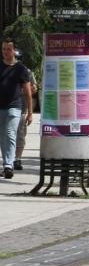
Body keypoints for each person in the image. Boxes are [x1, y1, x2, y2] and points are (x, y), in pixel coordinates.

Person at [0, 39, 32, 179]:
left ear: (14, 51)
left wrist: (30, 112)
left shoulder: (21, 69)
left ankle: (8, 165)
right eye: (3, 49)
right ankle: (7, 164)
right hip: (0, 107)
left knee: (10, 133)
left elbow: (28, 92)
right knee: (2, 136)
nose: (5, 52)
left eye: (8, 49)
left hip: (14, 107)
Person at [14, 61, 36, 171]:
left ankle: (17, 159)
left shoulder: (27, 72)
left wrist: (27, 88)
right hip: (5, 109)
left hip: (22, 109)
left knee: (20, 136)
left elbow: (34, 88)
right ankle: (9, 160)